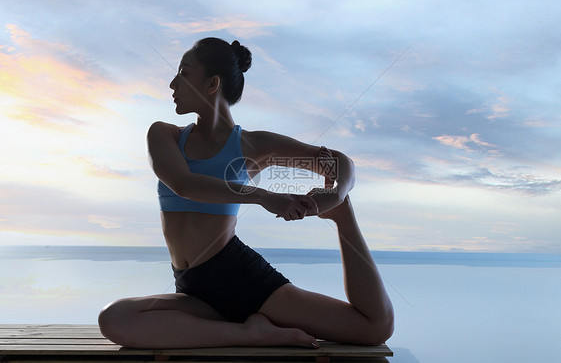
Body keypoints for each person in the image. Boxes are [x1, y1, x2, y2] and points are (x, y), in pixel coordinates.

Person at [98, 37, 394, 349]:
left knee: (375, 328)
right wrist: (263, 196)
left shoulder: (253, 146)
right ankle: (251, 333)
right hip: (193, 288)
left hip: (242, 280)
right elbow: (184, 185)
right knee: (114, 319)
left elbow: (337, 162)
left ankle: (343, 219)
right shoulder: (164, 135)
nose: (173, 83)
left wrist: (333, 199)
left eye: (184, 73)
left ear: (212, 83)